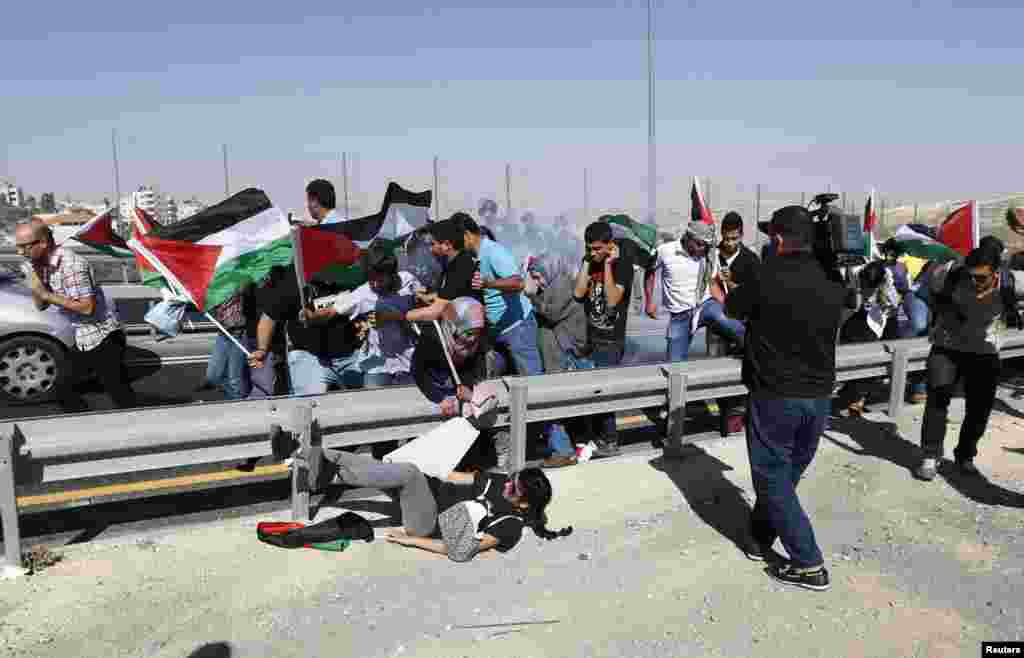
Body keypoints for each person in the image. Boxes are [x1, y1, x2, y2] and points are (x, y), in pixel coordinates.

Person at [724, 205, 857, 592]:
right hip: (818, 399)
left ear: (779, 239)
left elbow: (733, 308)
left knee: (772, 478)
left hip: (775, 396)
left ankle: (808, 562)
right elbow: (847, 303)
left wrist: (735, 286)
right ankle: (761, 534)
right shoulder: (831, 280)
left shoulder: (765, 276)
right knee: (785, 475)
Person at [285, 435, 571, 560]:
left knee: (407, 474)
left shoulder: (510, 523)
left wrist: (413, 540)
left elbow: (464, 548)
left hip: (429, 522)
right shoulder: (499, 482)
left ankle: (324, 474)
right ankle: (299, 452)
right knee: (389, 469)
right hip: (423, 495)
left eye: (513, 488)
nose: (507, 485)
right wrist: (423, 461)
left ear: (524, 502)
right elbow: (452, 476)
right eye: (511, 479)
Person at [914, 242, 1024, 481]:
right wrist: (945, 312)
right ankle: (930, 456)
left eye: (982, 278)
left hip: (984, 353)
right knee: (936, 401)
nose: (975, 282)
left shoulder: (1012, 283)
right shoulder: (950, 274)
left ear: (996, 272)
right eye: (970, 276)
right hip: (946, 348)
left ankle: (965, 455)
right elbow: (924, 291)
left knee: (979, 409)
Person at [15, 218, 136, 410]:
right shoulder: (43, 265)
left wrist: (47, 294)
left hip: (103, 337)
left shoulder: (71, 265)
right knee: (63, 389)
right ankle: (85, 425)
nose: (19, 252)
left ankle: (144, 424)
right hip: (82, 336)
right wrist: (36, 281)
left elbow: (86, 307)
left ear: (44, 242)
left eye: (24, 247)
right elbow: (41, 306)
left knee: (120, 394)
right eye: (17, 247)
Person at [247, 263, 363, 396]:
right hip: (308, 356)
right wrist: (262, 349)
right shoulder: (293, 277)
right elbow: (269, 317)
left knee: (366, 406)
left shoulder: (351, 270)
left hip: (351, 354)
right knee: (308, 408)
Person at [573, 221, 636, 458]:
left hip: (611, 340)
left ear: (610, 245)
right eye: (589, 248)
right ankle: (595, 437)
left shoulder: (622, 265)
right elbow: (578, 293)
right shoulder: (590, 261)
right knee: (592, 391)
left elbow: (612, 300)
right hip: (592, 337)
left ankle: (610, 440)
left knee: (605, 393)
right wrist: (588, 261)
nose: (593, 252)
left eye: (598, 248)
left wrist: (608, 265)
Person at [644, 220, 743, 362]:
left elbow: (712, 282)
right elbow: (650, 271)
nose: (703, 248)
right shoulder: (666, 251)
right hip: (680, 314)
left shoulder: (708, 254)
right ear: (688, 237)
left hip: (706, 305)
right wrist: (649, 302)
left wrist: (728, 305)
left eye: (706, 245)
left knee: (733, 324)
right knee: (674, 363)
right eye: (699, 244)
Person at [459, 214, 543, 378]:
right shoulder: (472, 256)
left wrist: (488, 284)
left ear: (467, 235)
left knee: (532, 382)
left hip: (518, 328)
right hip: (494, 332)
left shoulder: (493, 251)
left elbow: (518, 283)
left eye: (457, 239)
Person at [524, 256, 587, 468]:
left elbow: (551, 313)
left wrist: (532, 296)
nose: (537, 282)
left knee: (552, 402)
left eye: (538, 277)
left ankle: (563, 451)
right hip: (556, 352)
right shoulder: (556, 283)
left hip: (561, 352)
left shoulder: (560, 285)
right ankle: (565, 446)